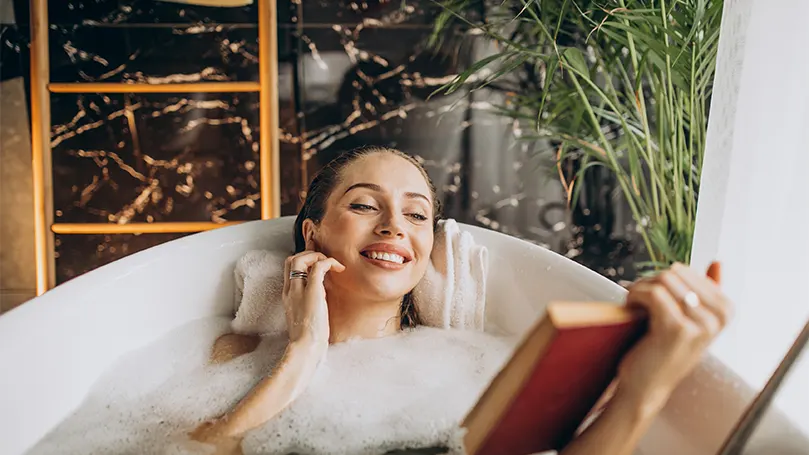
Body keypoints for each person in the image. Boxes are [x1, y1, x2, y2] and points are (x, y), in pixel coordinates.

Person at [189, 146, 732, 455]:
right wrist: (305, 351)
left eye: (417, 214)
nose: (394, 227)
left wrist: (643, 391)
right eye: (363, 206)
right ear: (311, 235)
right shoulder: (242, 354)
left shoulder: (464, 365)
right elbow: (195, 451)